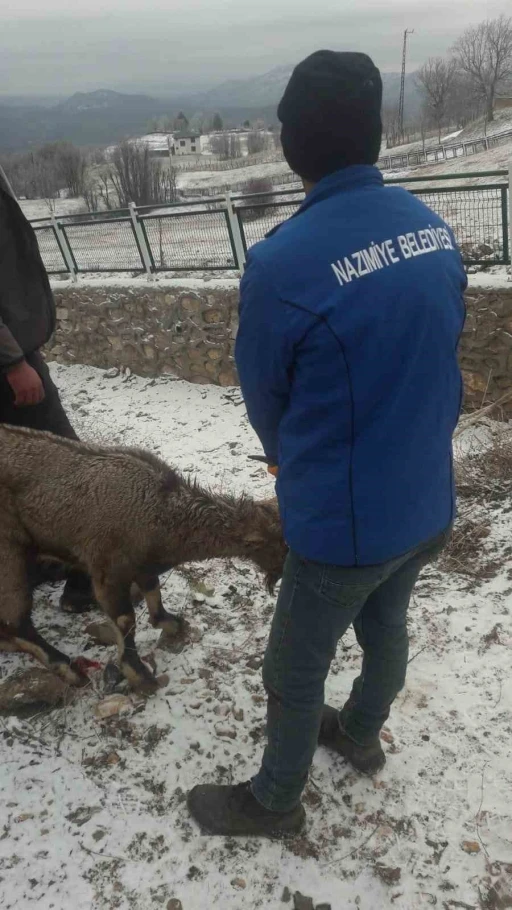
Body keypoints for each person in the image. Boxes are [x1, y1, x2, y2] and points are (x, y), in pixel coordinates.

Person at [187, 50, 466, 837]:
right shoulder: (431, 227)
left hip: (346, 523)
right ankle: (361, 734)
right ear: (375, 133)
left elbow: (265, 395)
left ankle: (275, 801)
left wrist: (286, 457)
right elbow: (441, 341)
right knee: (387, 624)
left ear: (292, 144)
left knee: (293, 666)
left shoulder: (283, 261)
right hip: (427, 502)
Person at [0, 163, 93, 611]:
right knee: (70, 468)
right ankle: (86, 575)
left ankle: (32, 565)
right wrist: (14, 360)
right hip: (8, 363)